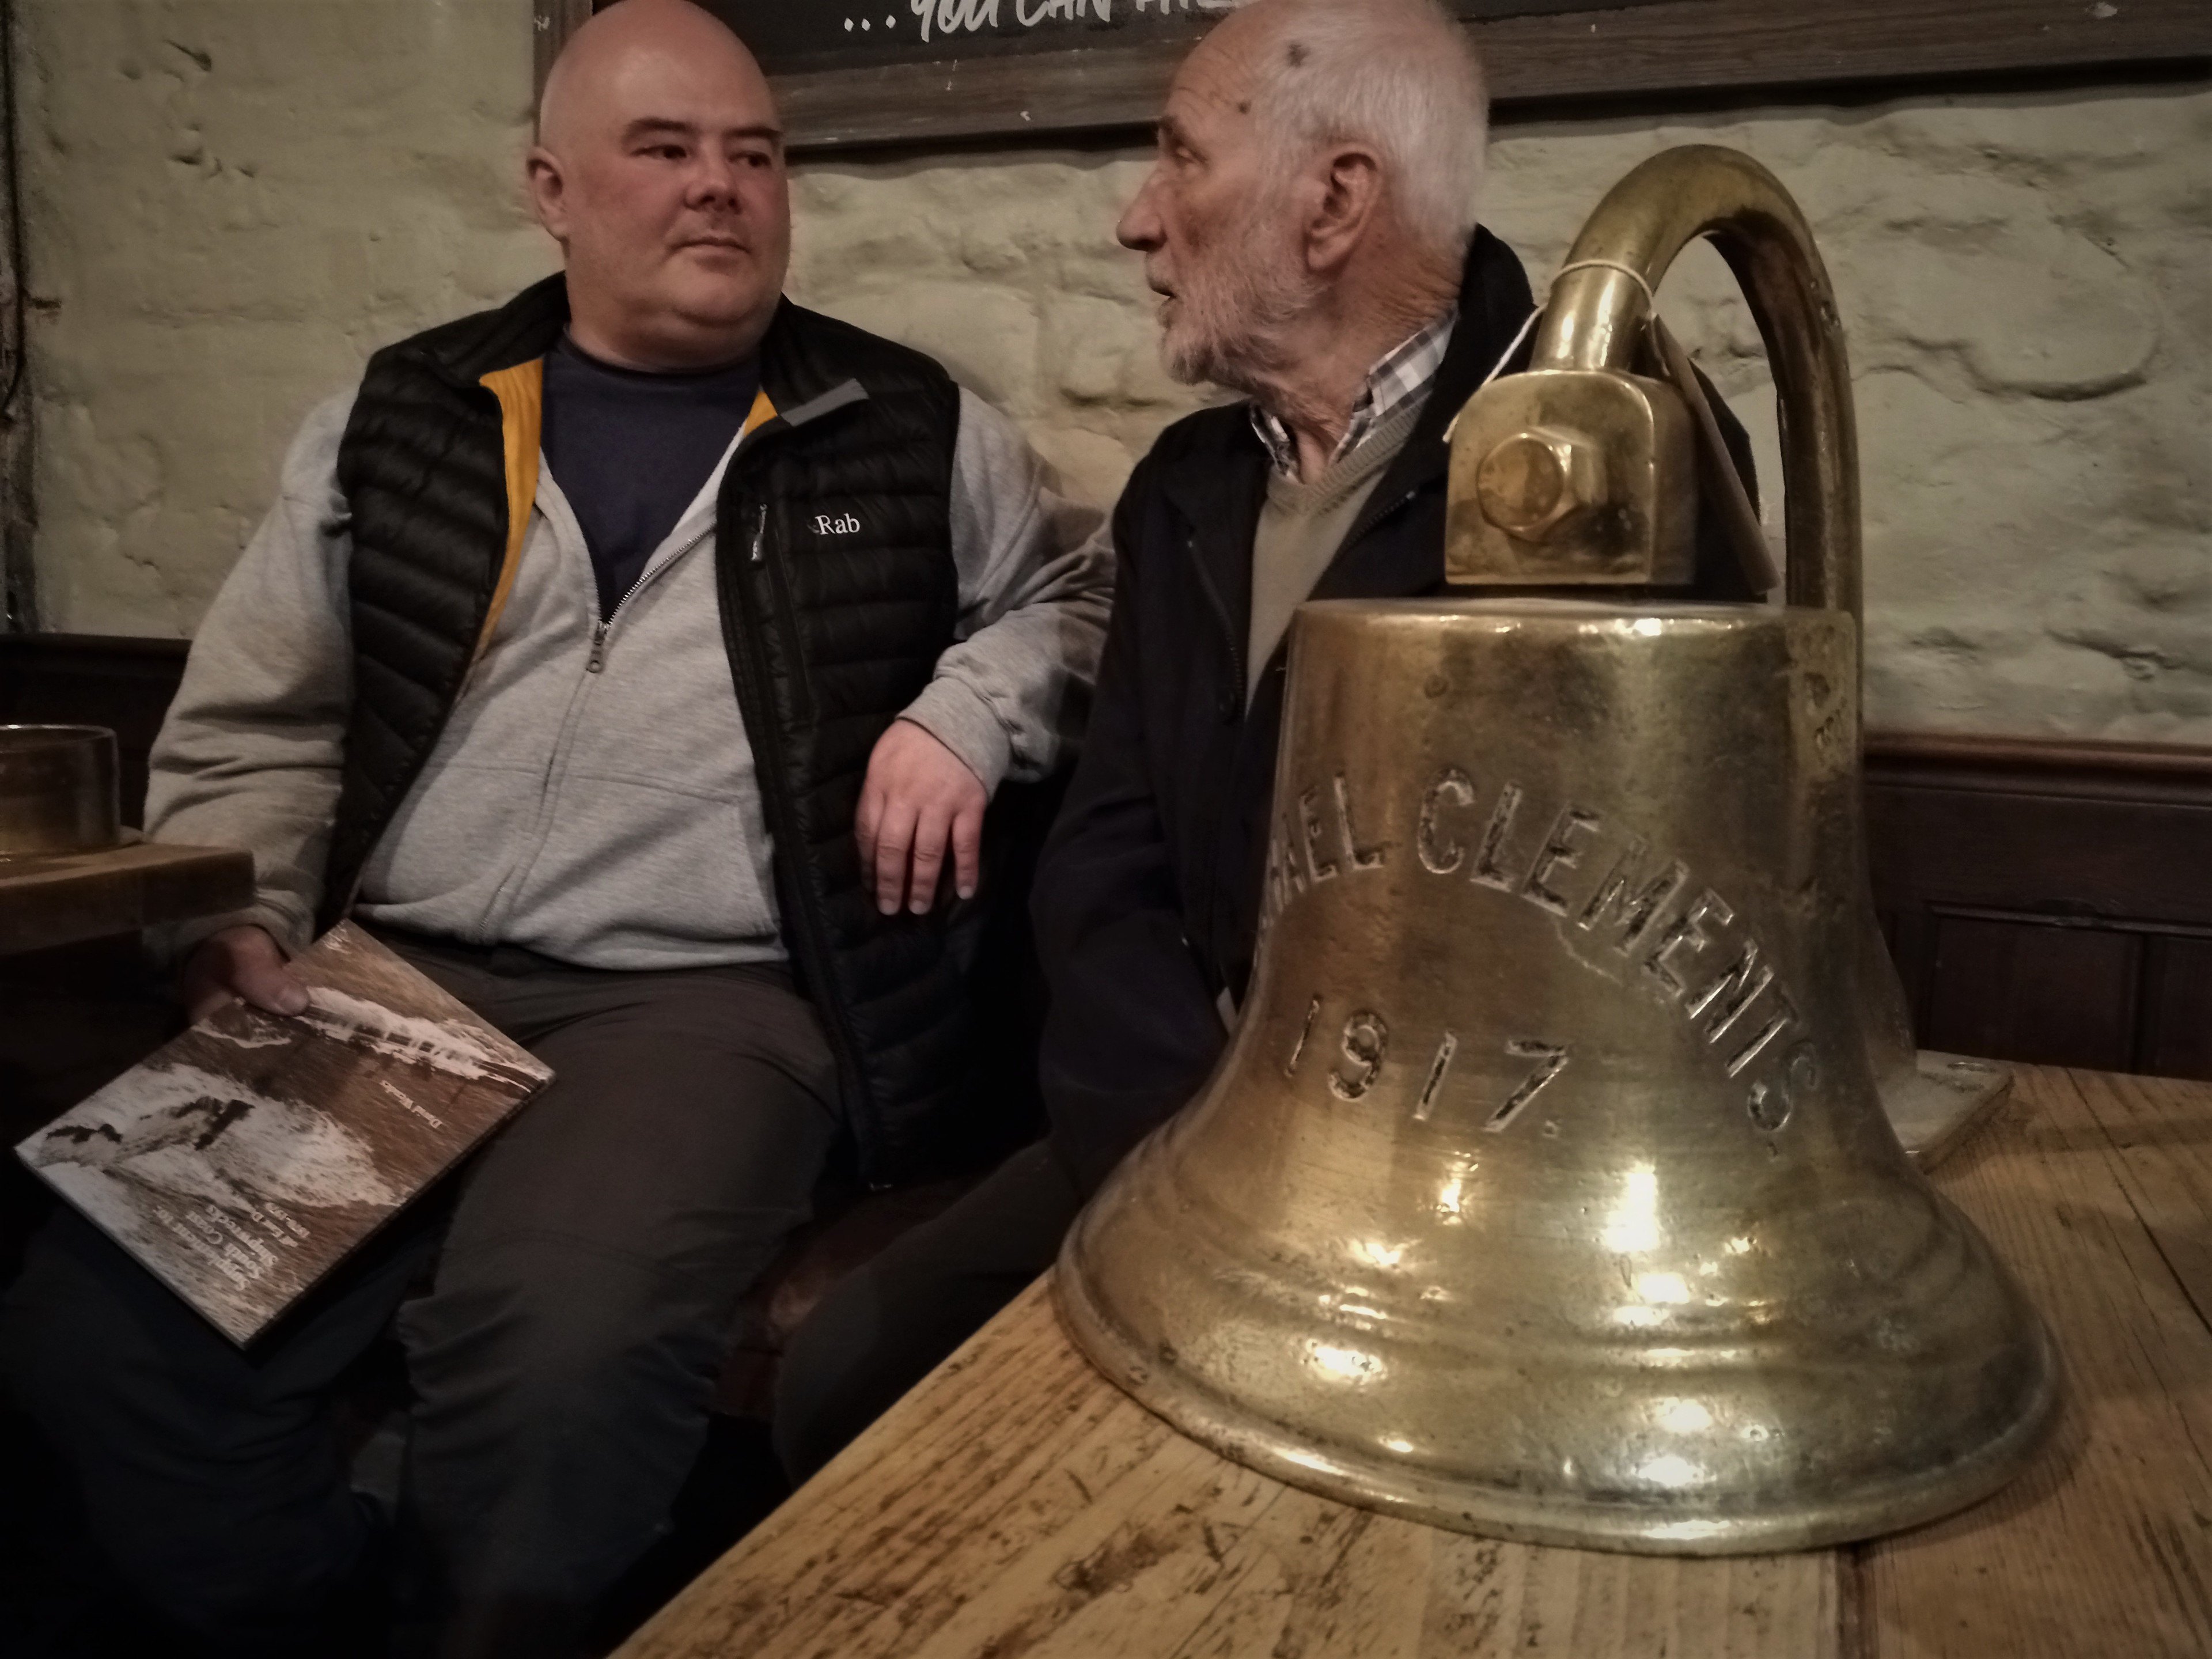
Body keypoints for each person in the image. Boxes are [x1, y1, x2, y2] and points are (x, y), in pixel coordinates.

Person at [0, 2, 1108, 1654]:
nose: (721, 189)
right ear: (553, 189)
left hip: (709, 1003)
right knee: (95, 1323)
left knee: (559, 1357)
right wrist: (225, 924)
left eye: (753, 155)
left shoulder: (908, 422)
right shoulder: (406, 415)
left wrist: (967, 712)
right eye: (664, 151)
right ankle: (324, 1608)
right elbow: (265, 712)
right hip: (386, 983)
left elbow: (1076, 605)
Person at [772, 0, 1757, 1481]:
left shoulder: (1614, 459)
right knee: (848, 1378)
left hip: (1470, 1207)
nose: (1135, 219)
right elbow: (1107, 856)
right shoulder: (1186, 487)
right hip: (1177, 1135)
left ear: (1335, 201)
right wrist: (1182, 1140)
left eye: (1179, 157)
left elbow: (1625, 921)